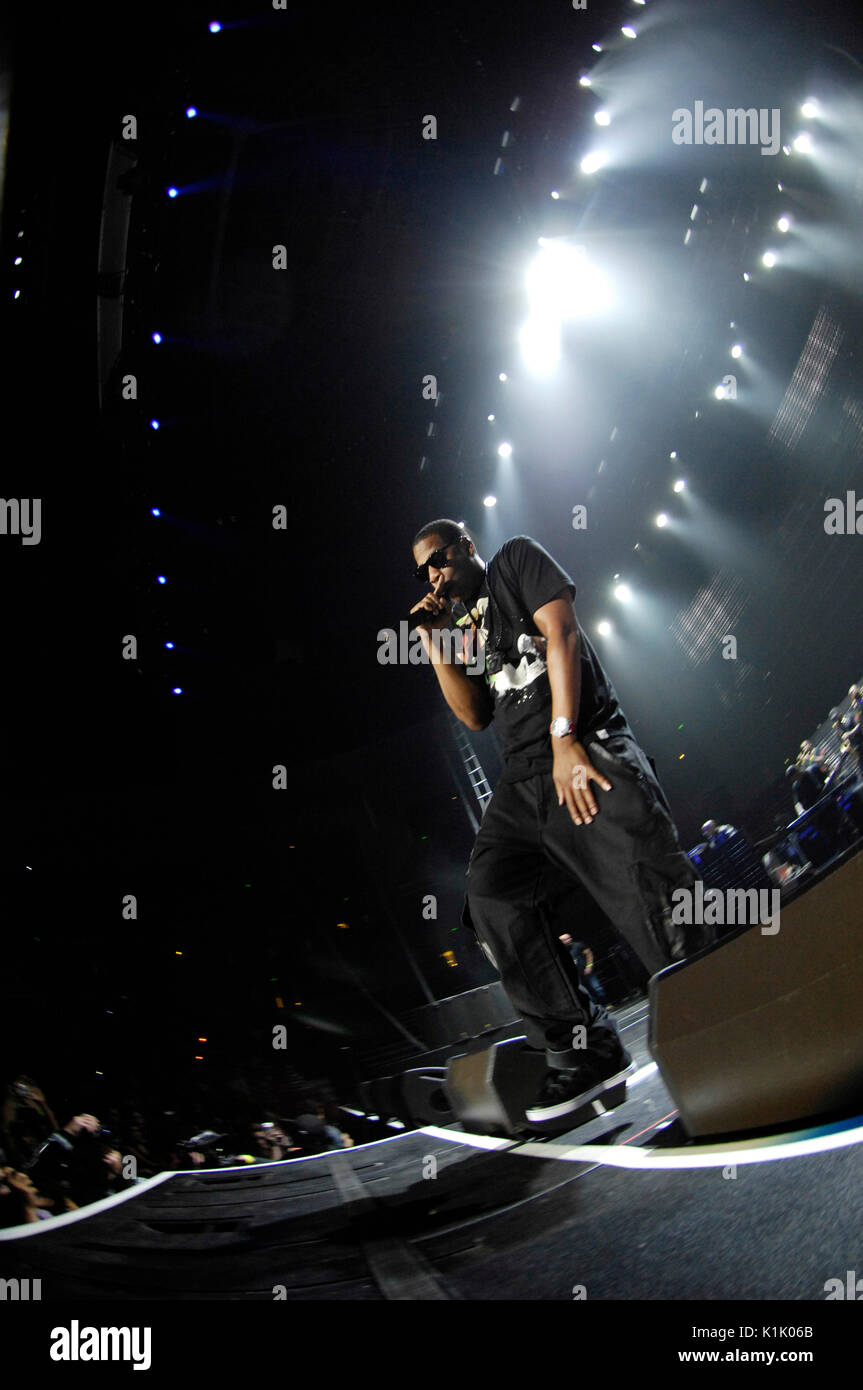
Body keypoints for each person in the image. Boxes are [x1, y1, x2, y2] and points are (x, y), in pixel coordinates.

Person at [409, 521, 711, 1124]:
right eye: (422, 572)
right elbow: (472, 714)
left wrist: (567, 738)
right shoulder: (467, 626)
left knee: (647, 886)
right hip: (522, 785)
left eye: (437, 559)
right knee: (491, 895)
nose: (432, 575)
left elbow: (564, 633)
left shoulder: (515, 562)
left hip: (585, 739)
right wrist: (432, 638)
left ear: (466, 545)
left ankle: (716, 1017)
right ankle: (585, 1049)